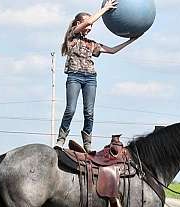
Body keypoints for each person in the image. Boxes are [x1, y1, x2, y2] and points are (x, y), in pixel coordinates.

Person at [56, 0, 138, 152]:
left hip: (90, 79)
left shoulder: (92, 44)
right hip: (74, 76)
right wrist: (106, 8)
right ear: (78, 23)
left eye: (91, 26)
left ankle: (87, 142)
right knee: (71, 109)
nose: (90, 28)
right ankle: (61, 139)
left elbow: (113, 50)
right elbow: (89, 20)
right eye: (87, 25)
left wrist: (131, 40)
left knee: (89, 112)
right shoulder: (72, 36)